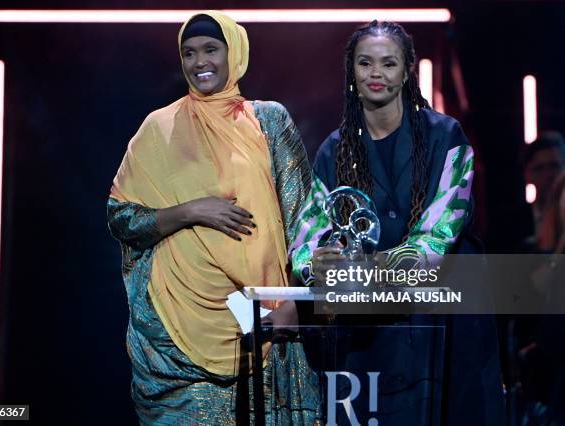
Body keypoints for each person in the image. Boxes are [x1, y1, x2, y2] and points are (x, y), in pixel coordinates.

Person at [107, 11, 320, 425]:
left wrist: (296, 305)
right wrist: (192, 210)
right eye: (189, 53)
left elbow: (304, 220)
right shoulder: (159, 127)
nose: (199, 61)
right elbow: (120, 219)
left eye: (210, 49)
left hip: (264, 326)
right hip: (175, 336)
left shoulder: (268, 121)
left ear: (233, 53)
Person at [289, 20, 505, 425]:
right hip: (369, 325)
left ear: (407, 71)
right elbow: (305, 238)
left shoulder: (447, 136)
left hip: (445, 316)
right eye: (365, 63)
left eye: (389, 64)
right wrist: (317, 265)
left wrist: (357, 272)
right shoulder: (333, 150)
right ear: (351, 71)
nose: (376, 74)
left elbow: (438, 238)